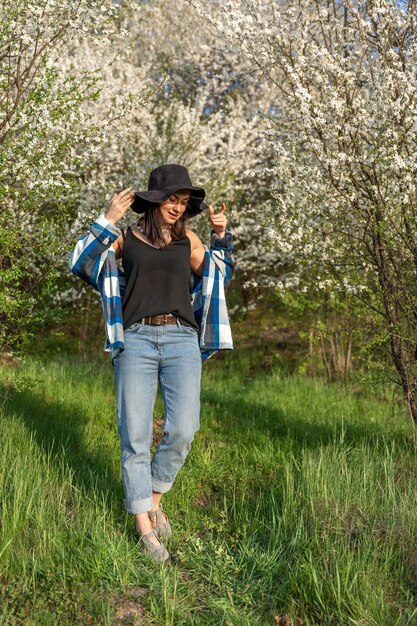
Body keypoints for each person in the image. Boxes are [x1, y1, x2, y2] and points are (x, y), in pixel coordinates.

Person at [69, 163, 234, 564]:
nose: (177, 208)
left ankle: (154, 497)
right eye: (171, 200)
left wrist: (221, 237)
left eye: (182, 202)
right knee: (135, 435)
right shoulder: (125, 238)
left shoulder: (189, 240)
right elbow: (82, 263)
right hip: (137, 339)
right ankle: (145, 528)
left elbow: (219, 277)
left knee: (183, 428)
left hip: (181, 339)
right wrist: (108, 219)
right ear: (154, 201)